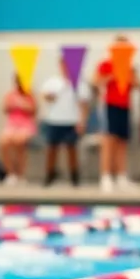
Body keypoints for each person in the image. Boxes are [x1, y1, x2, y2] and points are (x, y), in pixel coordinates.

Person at [39, 58, 90, 187]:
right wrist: (50, 96)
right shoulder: (52, 82)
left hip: (72, 121)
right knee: (52, 149)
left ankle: (74, 176)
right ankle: (49, 175)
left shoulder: (80, 83)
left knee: (71, 148)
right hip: (54, 120)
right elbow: (44, 97)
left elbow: (84, 105)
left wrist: (82, 121)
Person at [96, 37, 136, 192]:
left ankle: (121, 176)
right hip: (110, 106)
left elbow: (136, 84)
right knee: (109, 141)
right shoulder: (106, 65)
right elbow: (96, 81)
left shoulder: (129, 66)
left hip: (124, 106)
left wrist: (128, 74)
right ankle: (106, 176)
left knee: (122, 142)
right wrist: (113, 75)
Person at [0, 74, 37, 186]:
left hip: (26, 125)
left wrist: (23, 105)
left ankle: (21, 174)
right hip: (12, 125)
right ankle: (10, 174)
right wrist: (11, 105)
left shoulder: (30, 95)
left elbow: (34, 110)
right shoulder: (10, 95)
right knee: (3, 142)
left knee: (19, 143)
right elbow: (5, 109)